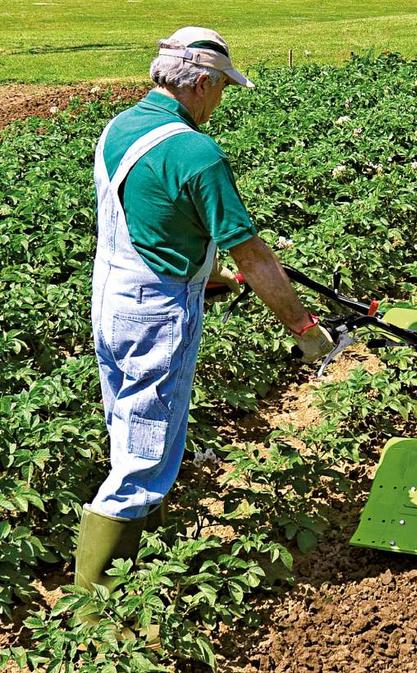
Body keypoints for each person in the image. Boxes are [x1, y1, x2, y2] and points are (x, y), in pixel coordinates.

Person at [75, 26, 334, 590]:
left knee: (130, 426)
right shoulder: (195, 151)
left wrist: (207, 275)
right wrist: (305, 328)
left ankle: (136, 567)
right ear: (198, 82)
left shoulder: (122, 127)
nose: (220, 99)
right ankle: (95, 614)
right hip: (157, 314)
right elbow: (257, 257)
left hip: (113, 298)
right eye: (220, 87)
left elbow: (150, 219)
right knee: (146, 452)